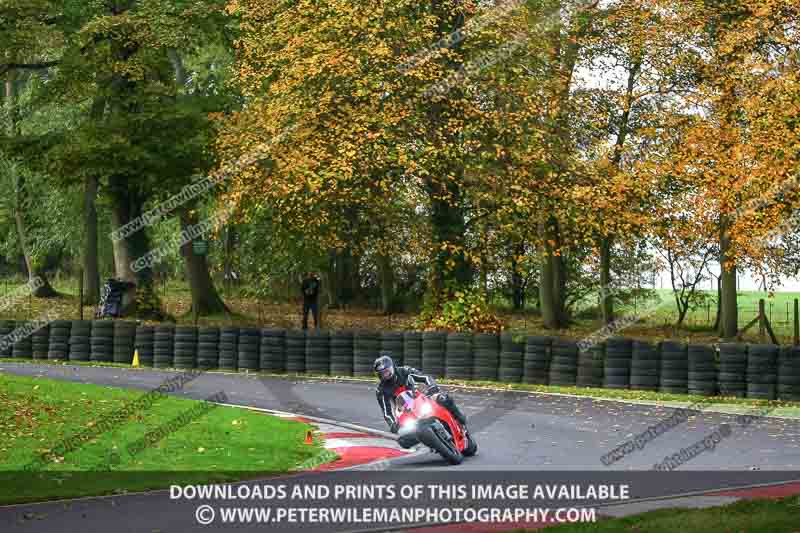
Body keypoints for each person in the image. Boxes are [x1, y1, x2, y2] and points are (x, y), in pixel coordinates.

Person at [374, 353, 467, 434]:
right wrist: (393, 424)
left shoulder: (404, 371)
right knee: (402, 434)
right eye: (382, 373)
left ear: (393, 367)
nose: (385, 375)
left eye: (387, 371)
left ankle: (460, 418)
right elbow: (387, 412)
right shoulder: (381, 390)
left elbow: (425, 377)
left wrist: (432, 387)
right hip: (404, 409)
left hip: (419, 398)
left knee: (442, 398)